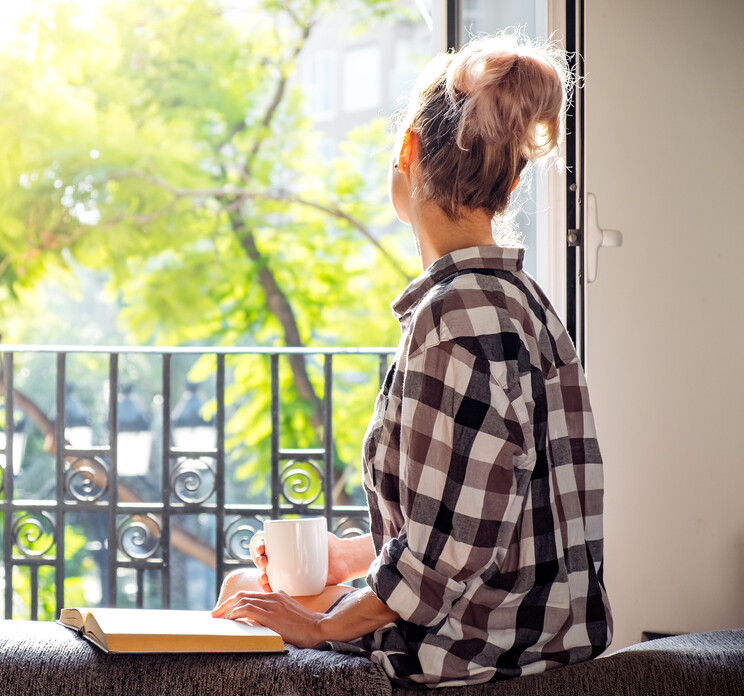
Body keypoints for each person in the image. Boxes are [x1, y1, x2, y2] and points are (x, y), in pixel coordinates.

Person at [212, 31, 613, 689]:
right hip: (534, 640)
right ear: (511, 184)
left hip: (470, 659)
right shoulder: (527, 305)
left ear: (407, 150)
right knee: (249, 590)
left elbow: (438, 566)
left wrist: (315, 625)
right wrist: (342, 558)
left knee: (240, 614)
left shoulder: (451, 322)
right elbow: (473, 523)